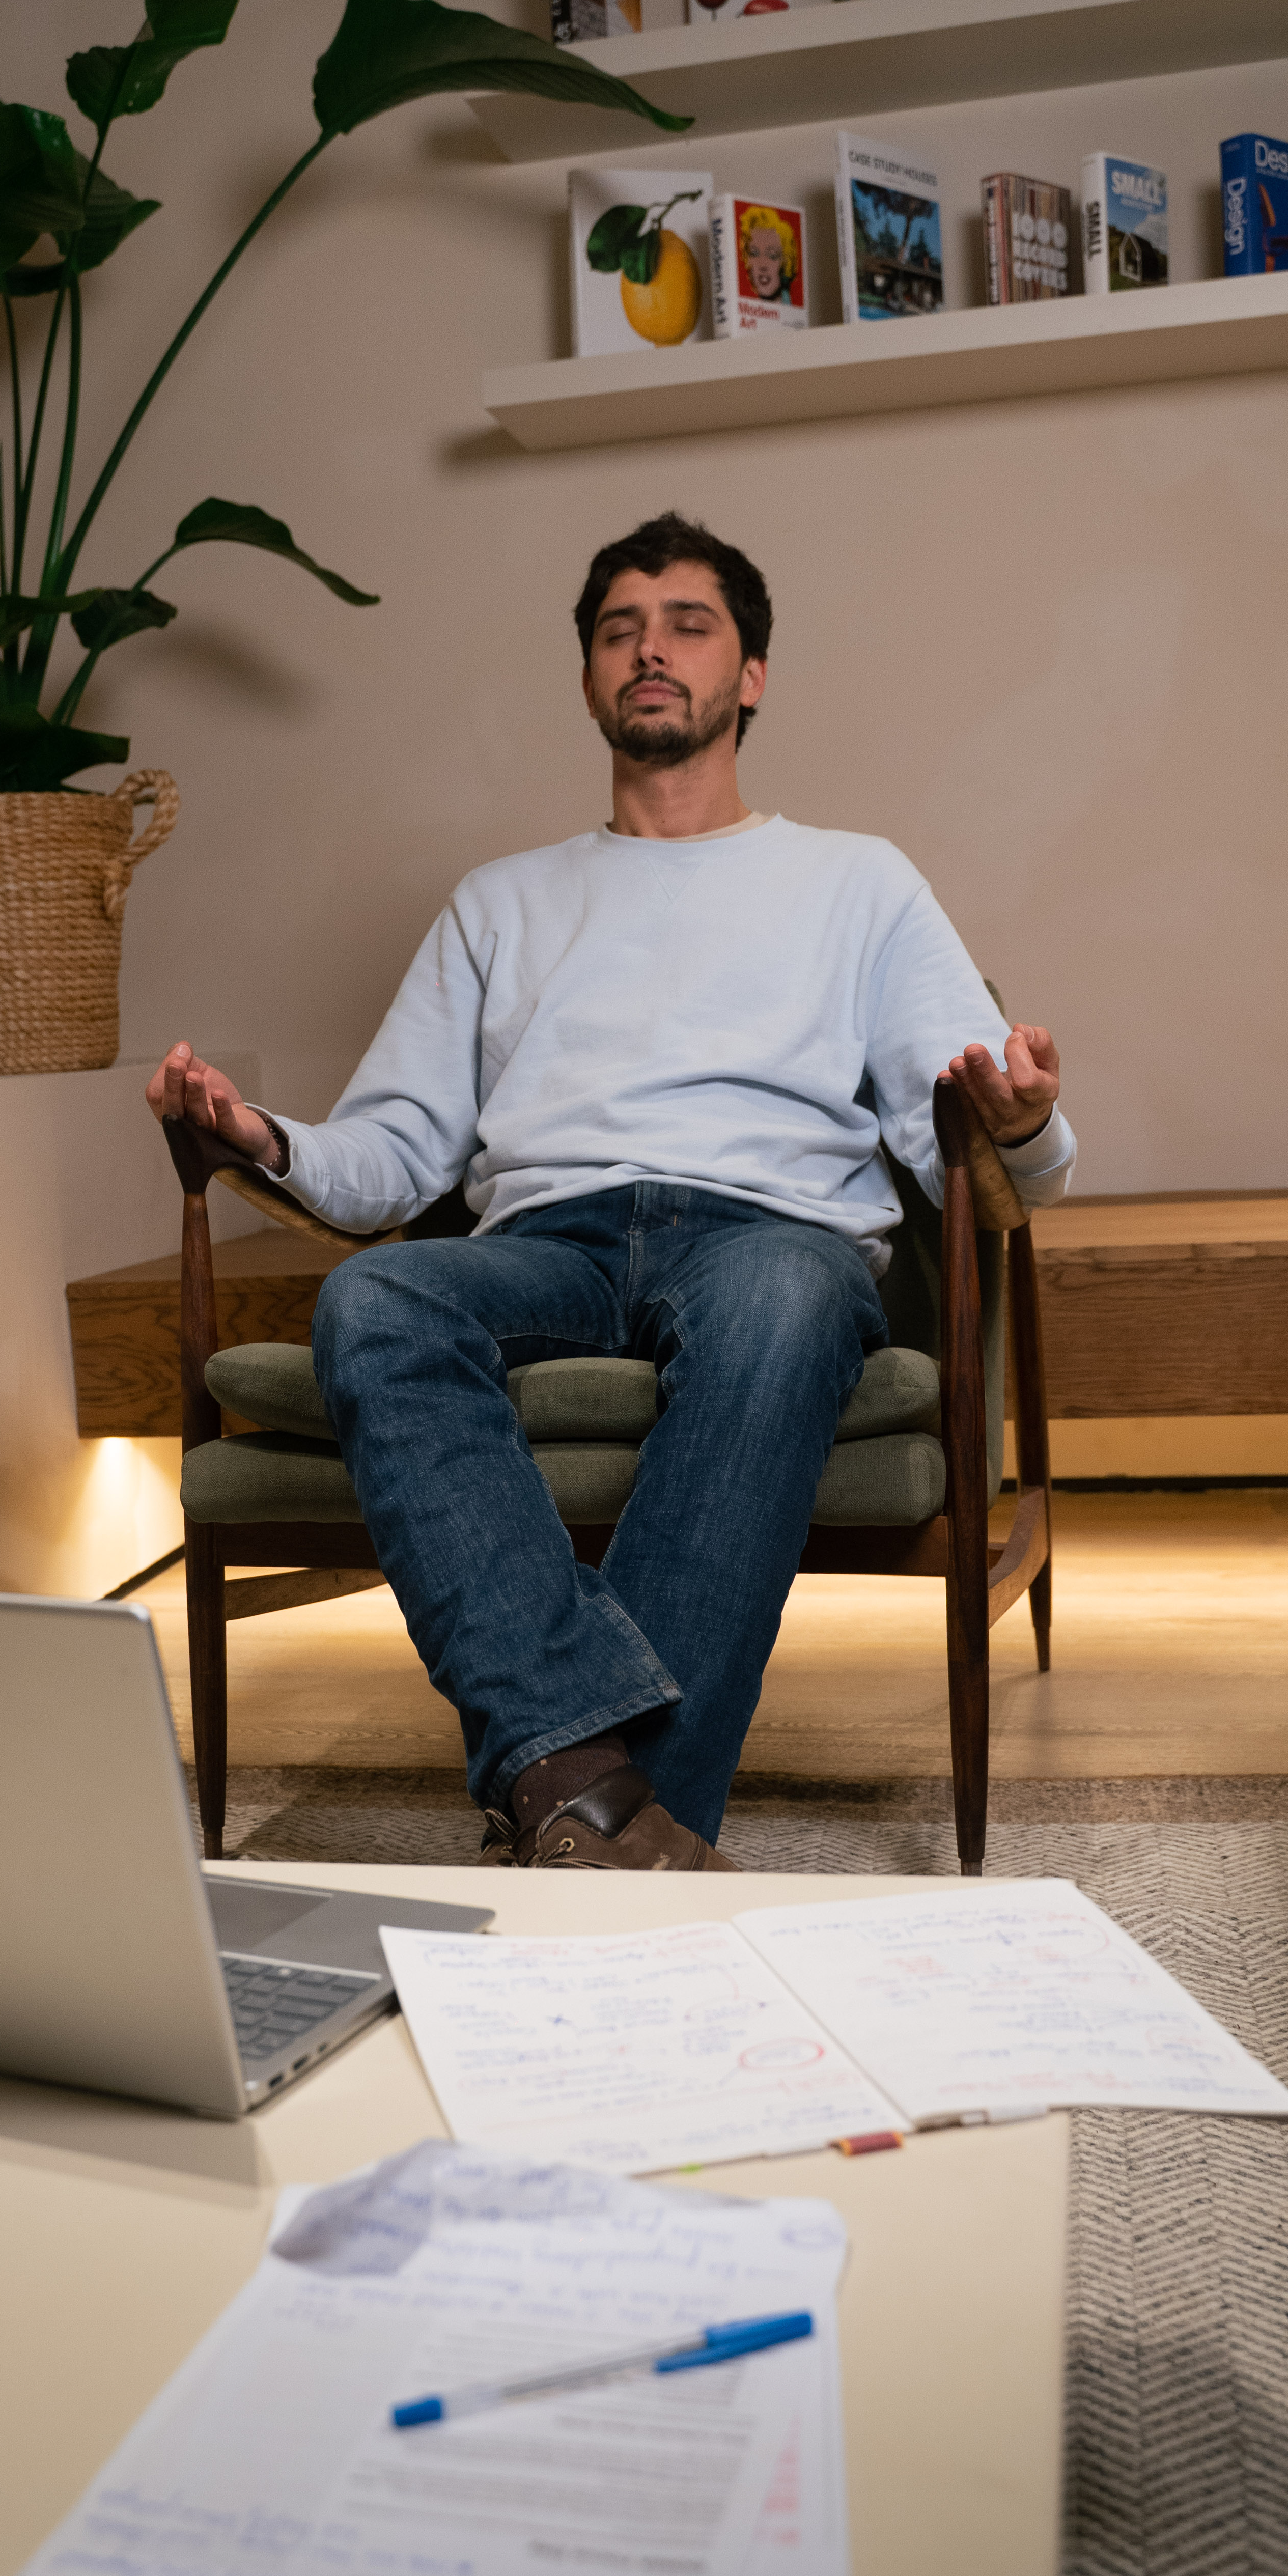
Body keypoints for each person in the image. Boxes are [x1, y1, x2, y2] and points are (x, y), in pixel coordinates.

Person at [149, 512, 1072, 1874]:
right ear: (588, 677)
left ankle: (580, 1808)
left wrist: (1028, 1121)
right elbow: (394, 1152)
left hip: (771, 1237)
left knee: (783, 1299)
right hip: (549, 1244)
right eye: (618, 630)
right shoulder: (498, 904)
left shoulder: (859, 883)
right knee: (376, 1301)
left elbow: (989, 1137)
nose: (650, 650)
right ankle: (606, 1813)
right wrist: (264, 1140)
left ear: (750, 674)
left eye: (688, 625)